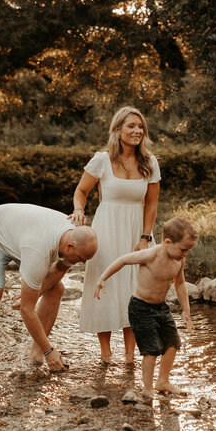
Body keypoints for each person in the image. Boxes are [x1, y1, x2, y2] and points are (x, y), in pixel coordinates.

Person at [70, 106, 161, 364]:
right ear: (118, 130)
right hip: (107, 228)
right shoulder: (102, 159)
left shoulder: (150, 163)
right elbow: (81, 191)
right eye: (131, 126)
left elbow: (152, 205)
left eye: (140, 126)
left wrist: (145, 237)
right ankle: (106, 354)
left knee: (134, 289)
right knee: (107, 285)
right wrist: (79, 210)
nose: (137, 131)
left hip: (136, 231)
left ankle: (131, 355)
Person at [0, 203, 98, 371]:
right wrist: (51, 351)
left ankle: (36, 354)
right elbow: (26, 309)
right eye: (82, 258)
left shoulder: (75, 236)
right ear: (70, 247)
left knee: (56, 288)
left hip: (21, 236)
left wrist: (35, 292)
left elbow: (61, 268)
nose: (83, 263)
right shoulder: (38, 252)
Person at [94, 217, 196, 398]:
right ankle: (147, 389)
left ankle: (162, 381)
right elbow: (123, 260)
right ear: (167, 242)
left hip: (161, 307)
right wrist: (103, 277)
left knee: (173, 344)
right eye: (183, 249)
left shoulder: (179, 260)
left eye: (188, 250)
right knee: (151, 350)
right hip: (141, 308)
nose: (185, 254)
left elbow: (180, 284)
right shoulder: (151, 255)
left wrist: (186, 311)